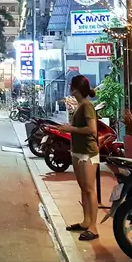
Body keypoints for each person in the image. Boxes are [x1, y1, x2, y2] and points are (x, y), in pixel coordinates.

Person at [57, 75, 100, 242]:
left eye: (71, 85)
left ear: (75, 89)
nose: (69, 87)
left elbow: (92, 129)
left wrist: (71, 129)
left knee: (89, 189)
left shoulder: (87, 106)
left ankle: (93, 227)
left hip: (88, 152)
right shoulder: (80, 105)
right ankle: (86, 221)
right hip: (78, 150)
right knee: (83, 188)